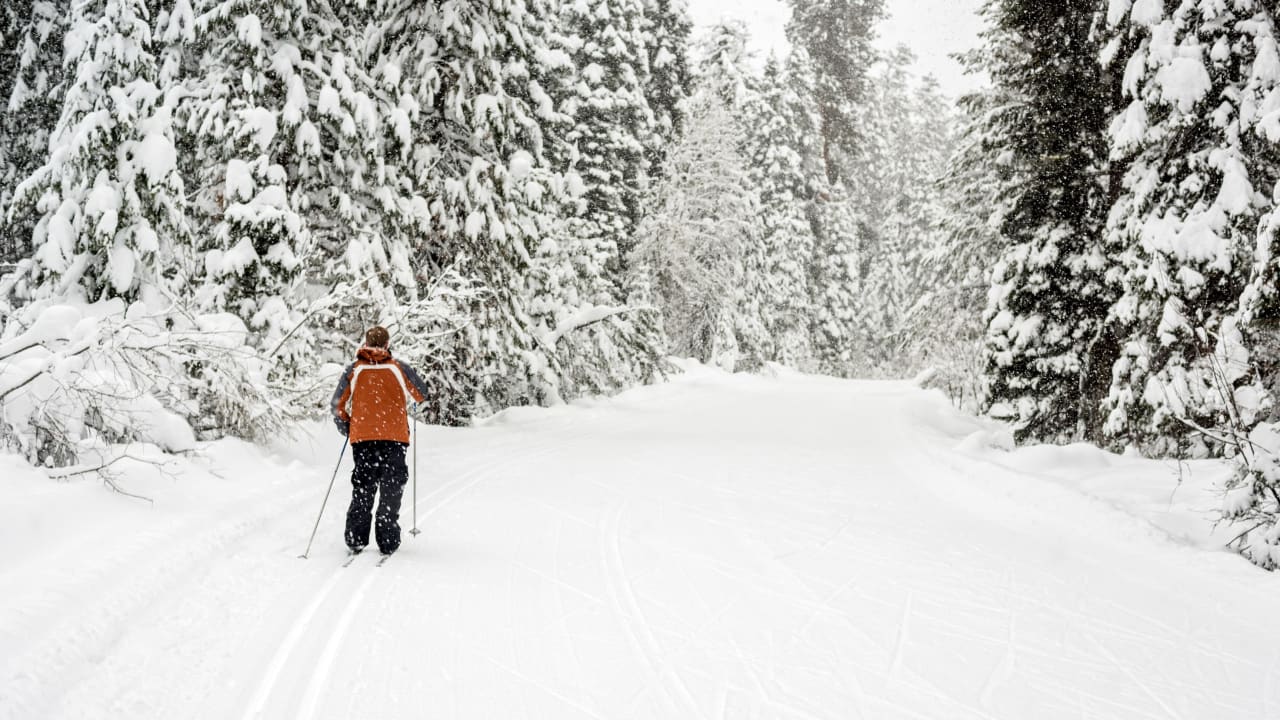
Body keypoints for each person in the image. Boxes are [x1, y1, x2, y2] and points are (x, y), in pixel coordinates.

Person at [330, 326, 429, 556]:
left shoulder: (354, 370)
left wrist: (347, 425)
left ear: (365, 344)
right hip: (394, 437)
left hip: (363, 438)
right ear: (386, 345)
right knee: (391, 487)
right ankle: (387, 538)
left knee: (363, 486)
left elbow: (336, 405)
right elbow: (421, 393)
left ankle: (356, 537)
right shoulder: (398, 368)